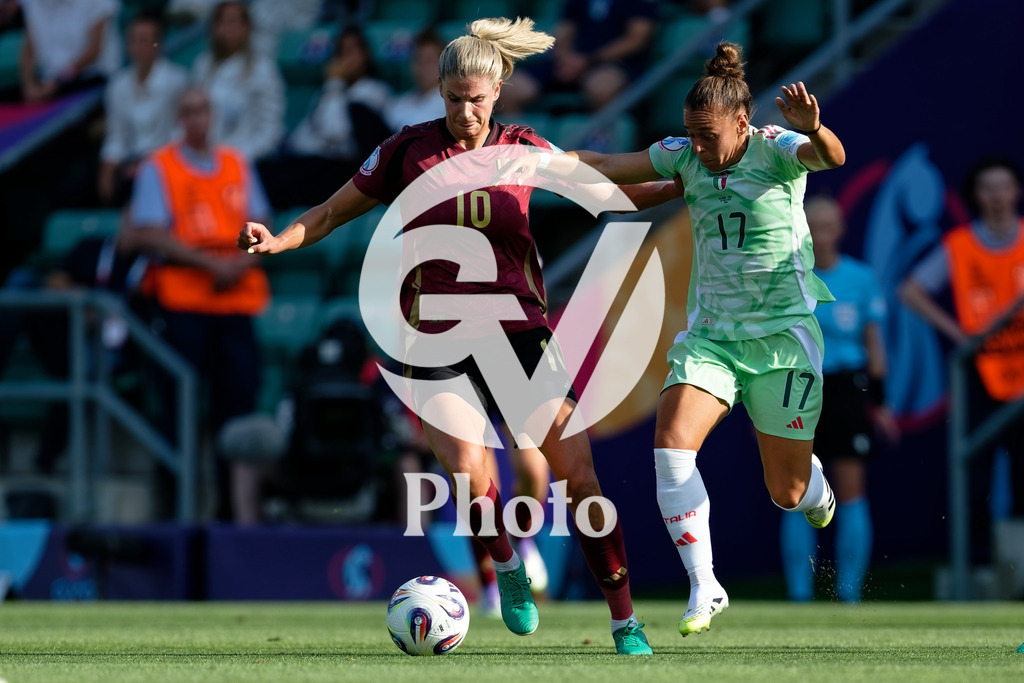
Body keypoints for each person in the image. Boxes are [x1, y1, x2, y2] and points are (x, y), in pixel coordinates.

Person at [238, 17, 685, 655]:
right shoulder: (406, 150)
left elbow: (608, 189)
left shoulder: (524, 149)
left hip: (522, 334)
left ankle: (625, 620)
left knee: (580, 480)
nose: (465, 111)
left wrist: (680, 186)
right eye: (453, 99)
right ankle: (505, 566)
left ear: (498, 90)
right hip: (437, 342)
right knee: (472, 478)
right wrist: (281, 239)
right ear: (440, 93)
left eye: (476, 99)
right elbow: (333, 211)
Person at [502, 40, 845, 635]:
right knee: (670, 445)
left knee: (786, 493)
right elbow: (608, 166)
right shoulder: (685, 154)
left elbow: (831, 157)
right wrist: (538, 161)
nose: (701, 149)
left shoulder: (777, 148)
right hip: (712, 337)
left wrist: (815, 128)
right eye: (692, 135)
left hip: (783, 339)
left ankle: (813, 485)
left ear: (742, 122)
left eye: (710, 137)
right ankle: (705, 584)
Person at [123, 85, 273, 522]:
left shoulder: (236, 163)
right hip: (183, 302)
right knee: (177, 412)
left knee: (237, 411)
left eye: (203, 110)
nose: (196, 119)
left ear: (214, 115)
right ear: (178, 118)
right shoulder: (159, 166)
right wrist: (206, 264)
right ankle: (177, 514)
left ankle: (234, 514)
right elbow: (146, 232)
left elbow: (264, 220)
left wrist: (240, 265)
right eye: (187, 111)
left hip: (236, 303)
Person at [899, 156, 1024, 562]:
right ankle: (980, 564)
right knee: (977, 473)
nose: (997, 197)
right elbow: (910, 290)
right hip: (980, 371)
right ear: (976, 195)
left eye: (1004, 187)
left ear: (1016, 192)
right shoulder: (961, 245)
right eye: (988, 188)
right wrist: (959, 335)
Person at [779, 195, 898, 603]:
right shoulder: (786, 276)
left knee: (849, 490)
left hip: (847, 391)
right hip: (796, 386)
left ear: (841, 229)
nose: (821, 236)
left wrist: (880, 403)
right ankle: (799, 595)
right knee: (794, 492)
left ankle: (848, 596)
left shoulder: (861, 279)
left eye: (829, 227)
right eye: (813, 226)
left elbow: (874, 345)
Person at [257, 25, 392, 209]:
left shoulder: (373, 91)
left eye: (351, 51)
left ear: (365, 55)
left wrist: (334, 82)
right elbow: (304, 135)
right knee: (266, 171)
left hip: (343, 167)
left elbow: (335, 132)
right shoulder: (326, 91)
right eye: (341, 52)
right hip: (313, 161)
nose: (345, 59)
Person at [98, 12, 189, 207]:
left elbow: (179, 136)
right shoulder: (118, 85)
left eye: (146, 40)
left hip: (167, 166)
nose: (140, 46)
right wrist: (107, 170)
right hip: (130, 166)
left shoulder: (177, 81)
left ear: (159, 44)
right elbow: (116, 136)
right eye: (134, 41)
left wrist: (148, 164)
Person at [191, 0, 285, 162]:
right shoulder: (202, 65)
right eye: (221, 21)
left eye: (233, 21)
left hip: (246, 159)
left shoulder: (263, 68)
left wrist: (241, 156)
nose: (227, 28)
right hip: (204, 159)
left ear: (247, 27)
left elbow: (271, 129)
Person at [13, 0, 121, 103]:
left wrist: (59, 81)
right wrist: (29, 84)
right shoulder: (33, 3)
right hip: (50, 83)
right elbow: (28, 50)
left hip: (93, 80)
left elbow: (93, 52)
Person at [385, 26, 446, 133]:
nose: (422, 66)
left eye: (429, 60)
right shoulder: (400, 103)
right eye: (417, 59)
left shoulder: (449, 104)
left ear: (444, 64)